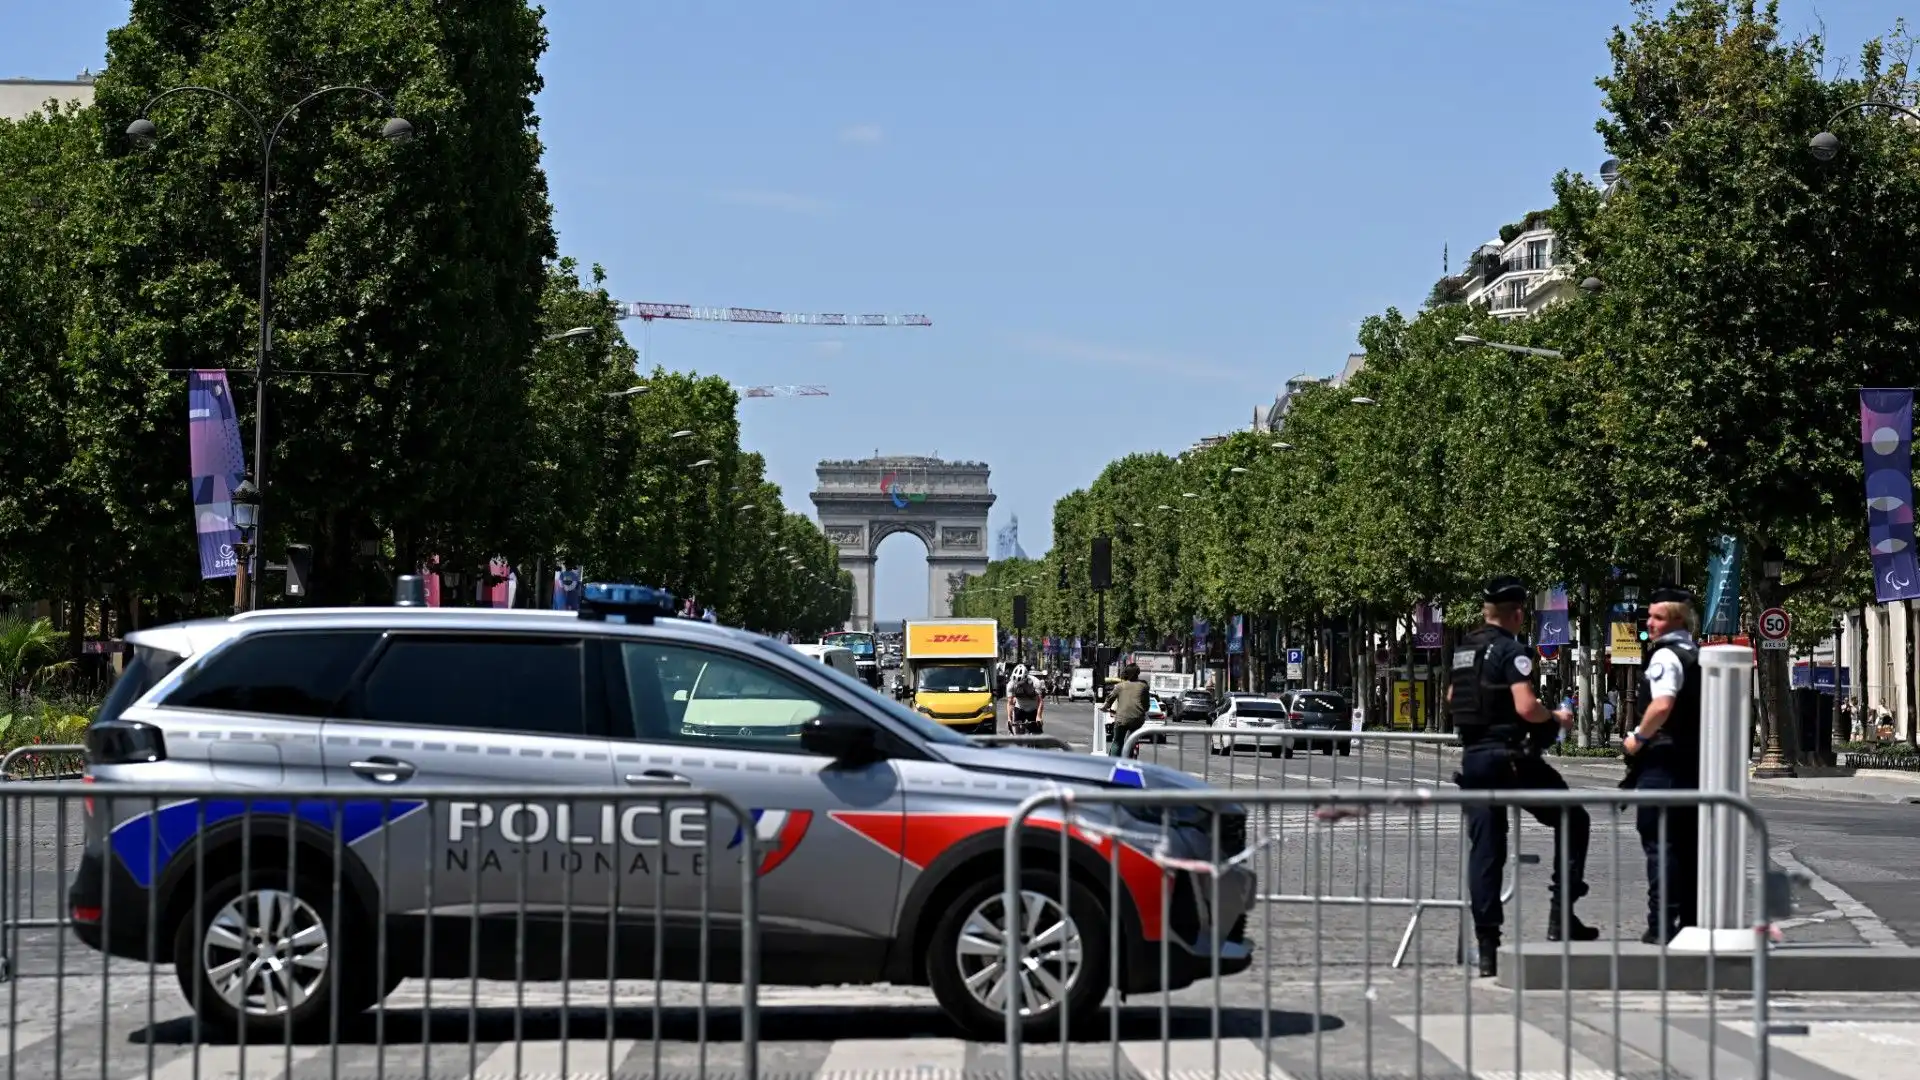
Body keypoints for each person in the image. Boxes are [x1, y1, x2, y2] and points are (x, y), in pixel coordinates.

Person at [1448, 575, 1596, 977]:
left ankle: (1487, 946)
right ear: (1517, 614)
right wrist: (1557, 718)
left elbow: (1451, 700)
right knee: (1572, 818)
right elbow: (1527, 706)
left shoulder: (1464, 650)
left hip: (1475, 759)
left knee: (1486, 852)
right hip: (1511, 757)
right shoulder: (1513, 651)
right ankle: (1561, 914)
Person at [1621, 586, 1703, 944]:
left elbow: (1662, 704)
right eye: (1649, 616)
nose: (1649, 623)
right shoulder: (1696, 654)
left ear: (1678, 619)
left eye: (1657, 617)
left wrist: (1637, 737)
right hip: (1693, 762)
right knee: (1687, 847)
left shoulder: (1666, 657)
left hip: (1664, 762)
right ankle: (1690, 922)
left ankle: (1661, 924)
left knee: (1661, 844)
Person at [1103, 663, 1151, 757]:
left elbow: (1109, 700)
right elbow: (1146, 705)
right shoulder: (1143, 686)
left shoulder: (1120, 686)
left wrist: (1105, 708)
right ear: (1138, 673)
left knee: (1117, 741)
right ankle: (1128, 758)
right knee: (1131, 740)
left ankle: (1114, 762)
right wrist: (1144, 710)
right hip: (1137, 718)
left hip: (1121, 719)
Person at [1008, 664, 1044, 735]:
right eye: (1017, 683)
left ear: (1026, 678)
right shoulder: (1011, 684)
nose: (1019, 685)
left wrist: (1039, 716)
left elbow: (1040, 701)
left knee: (1037, 734)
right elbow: (1010, 703)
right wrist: (1009, 718)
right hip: (1019, 708)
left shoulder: (1036, 682)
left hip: (1033, 709)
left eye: (1021, 683)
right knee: (1017, 734)